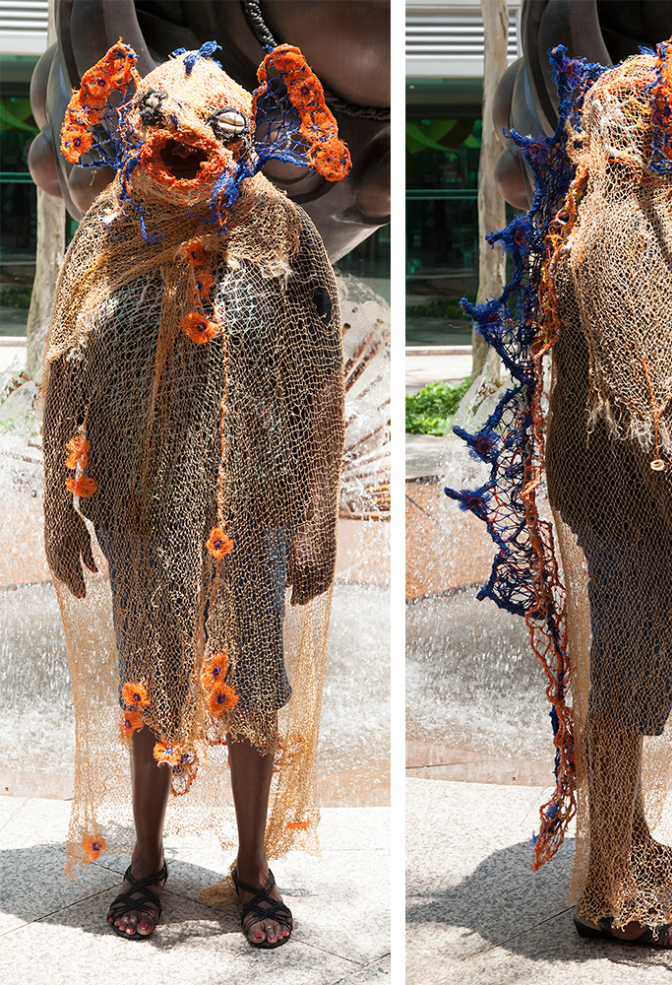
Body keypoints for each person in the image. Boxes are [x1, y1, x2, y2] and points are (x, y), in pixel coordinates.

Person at [449, 42, 672, 949]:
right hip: (634, 497)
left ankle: (627, 838)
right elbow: (635, 410)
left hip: (652, 494)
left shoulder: (656, 219)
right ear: (648, 131)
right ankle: (609, 889)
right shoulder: (622, 233)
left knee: (632, 680)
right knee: (625, 686)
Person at [42, 41, 348, 946]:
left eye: (214, 131)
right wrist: (60, 505)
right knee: (151, 680)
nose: (188, 146)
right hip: (138, 502)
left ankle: (254, 863)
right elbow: (66, 365)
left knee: (254, 683)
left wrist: (317, 516)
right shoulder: (108, 226)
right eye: (169, 131)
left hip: (250, 503)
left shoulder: (278, 227)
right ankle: (146, 859)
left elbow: (317, 378)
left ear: (244, 138)